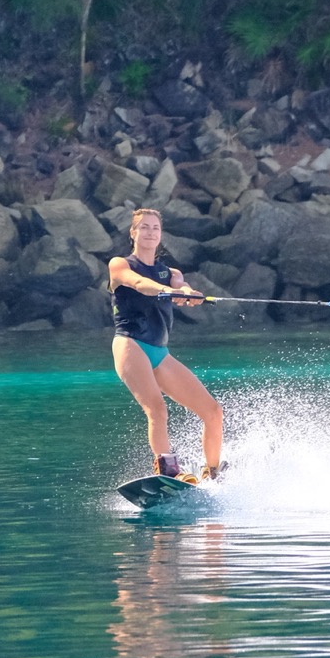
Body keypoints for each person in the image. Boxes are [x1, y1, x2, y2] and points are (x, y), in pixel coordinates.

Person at [109, 206, 224, 480]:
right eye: (144, 227)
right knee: (157, 409)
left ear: (161, 235)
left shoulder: (170, 273)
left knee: (213, 412)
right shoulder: (120, 265)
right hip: (130, 344)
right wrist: (166, 291)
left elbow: (181, 287)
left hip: (160, 352)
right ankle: (170, 473)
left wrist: (187, 294)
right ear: (133, 233)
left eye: (155, 228)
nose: (150, 232)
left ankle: (213, 473)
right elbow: (138, 284)